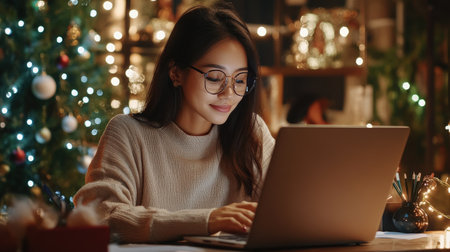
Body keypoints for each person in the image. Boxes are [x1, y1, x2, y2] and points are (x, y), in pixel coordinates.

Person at [74, 4, 275, 243]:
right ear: (176, 73)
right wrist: (208, 220)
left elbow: (289, 208)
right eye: (214, 77)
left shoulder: (252, 131)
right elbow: (101, 215)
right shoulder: (128, 133)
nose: (229, 93)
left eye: (240, 79)